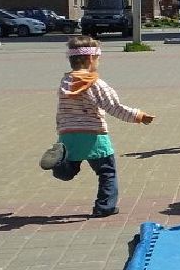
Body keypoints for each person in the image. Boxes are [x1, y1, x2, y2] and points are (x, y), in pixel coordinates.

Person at [42, 35, 154, 218]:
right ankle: (105, 207)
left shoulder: (65, 82)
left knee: (70, 168)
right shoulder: (96, 84)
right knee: (106, 172)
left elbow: (61, 110)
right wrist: (138, 116)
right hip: (94, 136)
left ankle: (59, 166)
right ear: (91, 59)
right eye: (98, 58)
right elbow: (114, 107)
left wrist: (60, 130)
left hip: (68, 134)